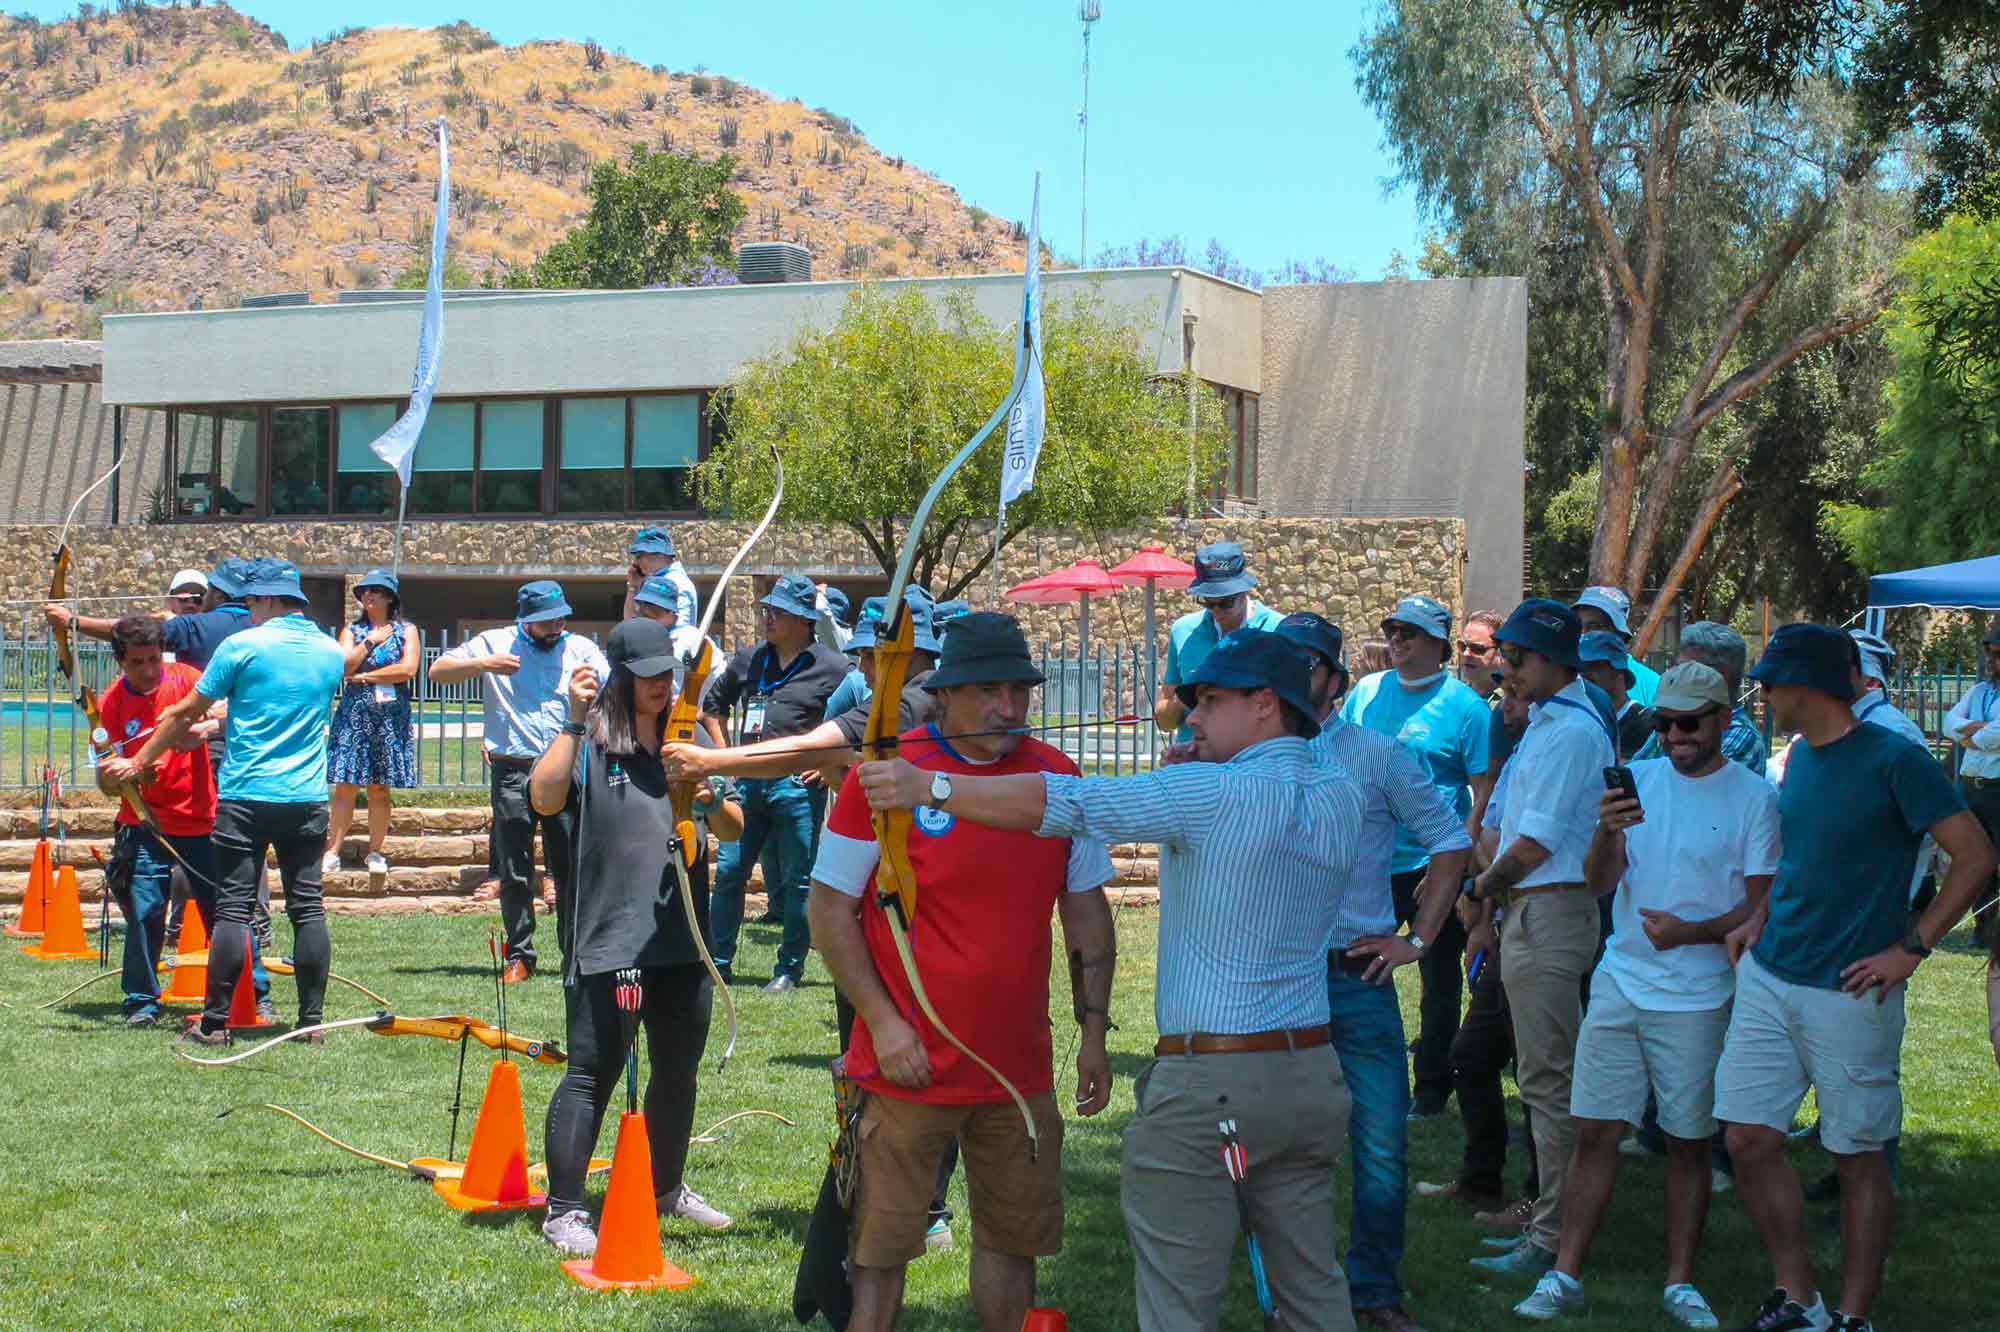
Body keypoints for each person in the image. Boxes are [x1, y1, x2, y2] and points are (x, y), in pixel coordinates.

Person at [857, 628, 1366, 1332]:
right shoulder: (1343, 790)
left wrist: (929, 785)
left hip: (1212, 1092)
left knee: (1178, 1303)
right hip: (1309, 1081)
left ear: (1264, 705)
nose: (1192, 716)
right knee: (1312, 1292)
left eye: (1211, 701)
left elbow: (1071, 806)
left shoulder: (1206, 793)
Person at [808, 611, 1116, 1332]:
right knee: (881, 1251)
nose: (1007, 708)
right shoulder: (887, 774)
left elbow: (1087, 916)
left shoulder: (1055, 777)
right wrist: (884, 1025)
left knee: (1014, 1243)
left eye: (1020, 690)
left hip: (1016, 1068)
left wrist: (1094, 1031)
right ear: (944, 694)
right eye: (986, 690)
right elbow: (829, 911)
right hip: (902, 1062)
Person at [1716, 622, 1995, 1332]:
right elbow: (1801, 859)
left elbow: (1975, 856)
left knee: (1856, 1156)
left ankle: (1852, 1316)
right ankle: (1798, 1297)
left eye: (1770, 681)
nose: (1762, 693)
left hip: (1853, 989)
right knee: (1747, 1138)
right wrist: (1759, 918)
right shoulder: (1801, 758)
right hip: (1772, 974)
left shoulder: (1895, 759)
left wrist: (1913, 948)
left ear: (1805, 684)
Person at [1511, 662, 1778, 1328]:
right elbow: (1600, 884)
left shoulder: (1753, 797)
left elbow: (1758, 905)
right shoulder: (1642, 782)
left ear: (1722, 720)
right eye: (1666, 723)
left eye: (1689, 722)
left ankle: (1680, 1281)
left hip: (1696, 994)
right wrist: (1606, 829)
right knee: (1596, 1130)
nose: (1676, 735)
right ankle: (1564, 1271)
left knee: (1688, 1142)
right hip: (1621, 980)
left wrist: (1690, 931)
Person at [529, 618, 745, 1257]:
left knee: (677, 1071)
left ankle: (664, 1186)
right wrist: (572, 717)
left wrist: (706, 799)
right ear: (619, 678)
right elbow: (543, 798)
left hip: (683, 937)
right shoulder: (592, 740)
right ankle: (565, 1209)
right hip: (609, 935)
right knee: (591, 1073)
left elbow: (731, 830)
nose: (660, 684)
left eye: (667, 673)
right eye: (646, 675)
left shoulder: (692, 737)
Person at [1281, 612, 1471, 1332]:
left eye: (1306, 663)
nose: (1292, 677)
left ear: (1334, 678)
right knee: (1278, 1146)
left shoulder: (1375, 754)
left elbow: (1450, 841)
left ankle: (1373, 1292)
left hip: (1356, 976)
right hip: (1275, 982)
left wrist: (1416, 942)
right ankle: (1294, 1289)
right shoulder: (1245, 754)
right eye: (1281, 662)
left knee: (1382, 1145)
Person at [115, 559, 347, 1046]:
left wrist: (140, 762)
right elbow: (267, 710)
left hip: (245, 796)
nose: (246, 613)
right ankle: (311, 1024)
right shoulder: (330, 652)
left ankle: (216, 1024)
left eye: (250, 604)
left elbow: (183, 711)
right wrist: (216, 724)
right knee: (308, 909)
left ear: (264, 601)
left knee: (234, 910)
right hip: (306, 797)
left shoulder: (242, 645)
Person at [1462, 599, 1616, 1280]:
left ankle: (1553, 1234)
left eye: (1517, 657)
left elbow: (1534, 842)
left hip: (1550, 909)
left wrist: (1480, 890)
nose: (1505, 668)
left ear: (1553, 660)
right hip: (1533, 910)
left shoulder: (1571, 732)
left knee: (1550, 1083)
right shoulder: (1551, 722)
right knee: (1541, 1077)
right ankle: (1545, 1218)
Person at [1340, 594, 1491, 1119]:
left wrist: (1450, 866)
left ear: (1438, 645)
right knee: (1355, 966)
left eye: (1409, 632)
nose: (1397, 640)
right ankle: (1351, 1076)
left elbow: (1481, 790)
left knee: (1439, 978)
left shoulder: (1467, 708)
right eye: (1392, 630)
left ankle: (1429, 1092)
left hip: (1431, 864)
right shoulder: (1365, 693)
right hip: (1369, 863)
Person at [428, 581, 609, 983]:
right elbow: (437, 671)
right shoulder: (494, 642)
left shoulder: (580, 648)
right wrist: (484, 665)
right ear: (526, 620)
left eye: (562, 616)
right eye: (548, 620)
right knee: (514, 867)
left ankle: (575, 954)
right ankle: (520, 954)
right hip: (513, 768)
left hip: (564, 766)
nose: (558, 625)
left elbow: (611, 688)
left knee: (569, 866)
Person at [92, 615, 257, 1026]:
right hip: (144, 823)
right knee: (146, 913)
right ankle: (141, 1002)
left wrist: (201, 728)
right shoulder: (110, 702)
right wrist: (119, 778)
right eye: (137, 662)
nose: (148, 670)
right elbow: (106, 781)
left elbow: (230, 708)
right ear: (120, 661)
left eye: (153, 659)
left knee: (226, 911)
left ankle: (253, 992)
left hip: (201, 819)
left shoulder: (185, 678)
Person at [700, 572, 851, 992]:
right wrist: (726, 759)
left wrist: (826, 762)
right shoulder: (750, 659)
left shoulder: (834, 667)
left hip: (797, 786)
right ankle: (719, 963)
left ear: (804, 621)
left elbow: (855, 720)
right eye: (767, 610)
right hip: (746, 782)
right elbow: (712, 707)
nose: (768, 618)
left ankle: (788, 970)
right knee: (730, 871)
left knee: (798, 879)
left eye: (778, 612)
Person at [324, 570, 419, 882]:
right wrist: (368, 642)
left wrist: (366, 676)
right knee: (345, 784)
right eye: (365, 591)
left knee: (380, 787)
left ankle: (376, 850)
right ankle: (333, 851)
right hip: (355, 714)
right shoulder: (352, 631)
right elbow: (342, 666)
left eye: (376, 591)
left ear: (390, 597)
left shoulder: (407, 631)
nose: (369, 596)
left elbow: (408, 669)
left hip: (390, 717)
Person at [1152, 541, 1283, 741]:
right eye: (1207, 602)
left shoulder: (1278, 629)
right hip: (1196, 764)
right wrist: (1191, 695)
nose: (1216, 611)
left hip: (1255, 764)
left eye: (1225, 603)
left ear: (1244, 591)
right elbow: (1166, 721)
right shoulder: (1183, 630)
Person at [1631, 622, 1766, 776]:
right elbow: (1633, 775)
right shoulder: (1672, 720)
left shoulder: (1743, 738)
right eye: (1663, 724)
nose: (1674, 734)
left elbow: (1693, 786)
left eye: (1689, 725)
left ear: (1721, 674)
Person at [1945, 622, 2000, 930]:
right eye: (1989, 654)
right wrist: (1975, 732)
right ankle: (1985, 927)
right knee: (1978, 859)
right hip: (1971, 787)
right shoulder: (1978, 691)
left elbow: (1995, 737)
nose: (1991, 661)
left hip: (1998, 788)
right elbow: (1947, 722)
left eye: (1998, 655)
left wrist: (1969, 733)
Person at [1571, 586, 1661, 705]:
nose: (1583, 634)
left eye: (1596, 627)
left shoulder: (1650, 683)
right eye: (1577, 626)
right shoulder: (1563, 676)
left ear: (1621, 634)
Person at [1578, 630, 1654, 761]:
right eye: (1579, 668)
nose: (1583, 675)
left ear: (1619, 670)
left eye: (1593, 666)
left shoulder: (1647, 723)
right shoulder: (1579, 722)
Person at [623, 525, 697, 623]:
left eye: (639, 556)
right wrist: (633, 587)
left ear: (659, 554)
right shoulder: (659, 580)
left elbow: (680, 631)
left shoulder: (676, 583)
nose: (635, 563)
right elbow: (630, 624)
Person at [1460, 610, 1503, 686]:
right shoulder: (1454, 694)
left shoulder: (1515, 696)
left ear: (1500, 652)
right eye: (1463, 646)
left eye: (1477, 649)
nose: (1466, 654)